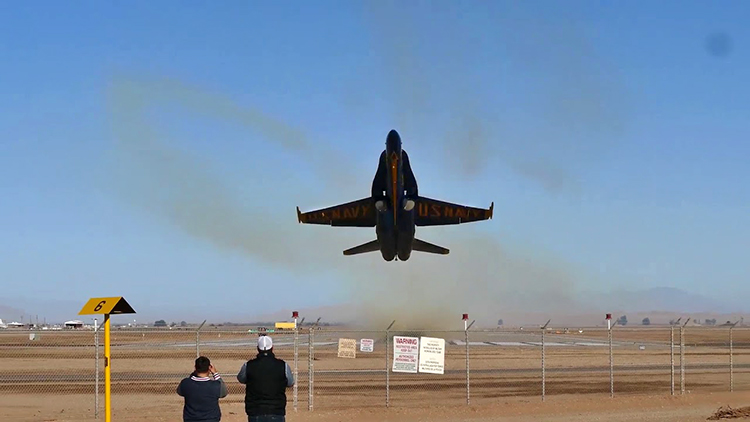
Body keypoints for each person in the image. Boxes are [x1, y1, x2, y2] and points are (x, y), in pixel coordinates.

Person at [237, 335, 295, 422]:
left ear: (257, 348)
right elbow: (290, 382)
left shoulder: (249, 365)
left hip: (255, 411)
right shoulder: (283, 365)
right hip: (276, 411)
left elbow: (241, 378)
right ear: (272, 348)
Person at [177, 356, 228, 422]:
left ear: (195, 368)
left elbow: (180, 392)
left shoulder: (186, 383)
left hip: (191, 419)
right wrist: (215, 373)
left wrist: (193, 374)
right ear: (209, 368)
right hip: (211, 419)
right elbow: (224, 393)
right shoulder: (215, 385)